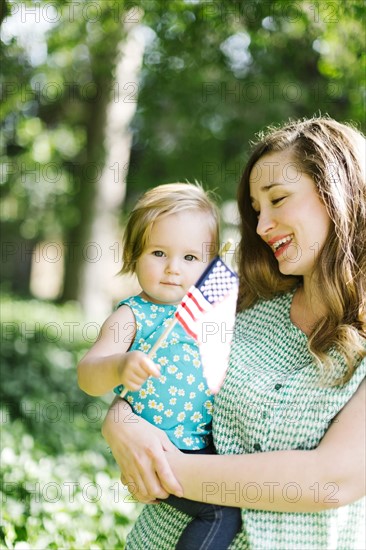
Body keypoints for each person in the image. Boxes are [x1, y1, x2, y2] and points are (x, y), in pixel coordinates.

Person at [102, 117, 366, 550]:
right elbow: (156, 377)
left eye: (278, 199)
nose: (262, 227)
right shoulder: (236, 300)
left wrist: (157, 468)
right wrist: (121, 423)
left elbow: (330, 479)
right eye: (257, 210)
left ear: (340, 193)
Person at [77, 182, 242, 550]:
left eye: (190, 258)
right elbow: (88, 374)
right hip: (159, 452)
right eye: (158, 252)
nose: (172, 269)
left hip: (205, 445)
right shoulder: (133, 314)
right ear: (135, 254)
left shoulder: (208, 311)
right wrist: (119, 366)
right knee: (222, 510)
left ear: (209, 263)